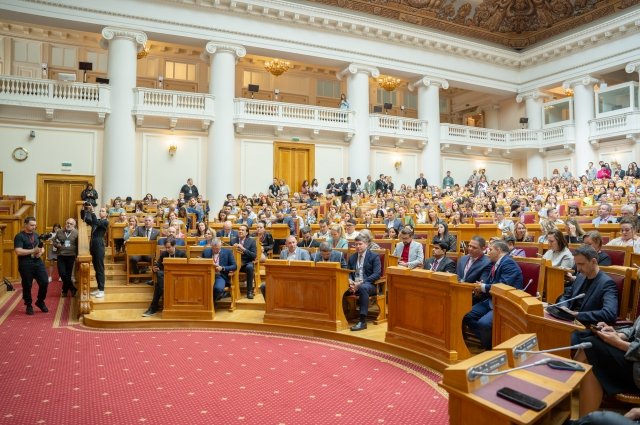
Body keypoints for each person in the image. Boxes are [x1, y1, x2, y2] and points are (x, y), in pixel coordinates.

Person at [463, 240, 523, 349]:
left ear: (499, 250)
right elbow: (493, 283)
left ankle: (491, 348)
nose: (487, 252)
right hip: (492, 300)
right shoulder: (496, 263)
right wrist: (482, 286)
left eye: (490, 250)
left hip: (505, 303)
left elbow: (503, 286)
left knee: (484, 324)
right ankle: (491, 342)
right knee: (466, 316)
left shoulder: (508, 263)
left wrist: (483, 287)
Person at [556, 245, 618, 326]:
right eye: (577, 264)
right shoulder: (580, 277)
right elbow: (566, 296)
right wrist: (564, 308)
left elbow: (609, 314)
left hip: (587, 327)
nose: (578, 269)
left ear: (593, 262)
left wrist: (577, 315)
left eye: (581, 264)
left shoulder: (607, 283)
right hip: (569, 322)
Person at [344, 234, 381, 331]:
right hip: (353, 284)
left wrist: (360, 283)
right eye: (356, 244)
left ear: (367, 244)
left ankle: (362, 321)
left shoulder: (374, 256)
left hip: (369, 285)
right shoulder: (352, 257)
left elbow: (377, 274)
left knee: (363, 288)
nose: (357, 246)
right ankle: (341, 315)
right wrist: (350, 281)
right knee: (339, 287)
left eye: (360, 244)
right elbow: (348, 272)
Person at [142, 237, 187, 317]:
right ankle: (162, 292)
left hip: (178, 278)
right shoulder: (164, 254)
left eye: (169, 247)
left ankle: (153, 308)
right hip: (165, 278)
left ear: (174, 246)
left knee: (159, 283)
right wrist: (154, 268)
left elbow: (185, 269)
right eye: (166, 247)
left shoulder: (182, 254)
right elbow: (158, 264)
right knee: (159, 274)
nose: (167, 249)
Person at [14, 216, 50, 315]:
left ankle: (40, 301)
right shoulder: (19, 236)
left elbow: (41, 247)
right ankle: (28, 305)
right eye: (31, 225)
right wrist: (32, 251)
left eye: (35, 225)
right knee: (27, 285)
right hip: (25, 263)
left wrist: (41, 252)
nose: (34, 227)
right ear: (25, 224)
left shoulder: (36, 234)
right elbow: (18, 251)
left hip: (37, 262)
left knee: (44, 281)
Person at [84, 204, 109, 298]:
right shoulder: (97, 220)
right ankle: (99, 288)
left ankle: (102, 290)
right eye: (100, 211)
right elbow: (87, 220)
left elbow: (95, 222)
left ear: (106, 214)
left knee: (100, 268)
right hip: (93, 246)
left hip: (99, 245)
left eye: (103, 211)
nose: (101, 212)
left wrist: (93, 212)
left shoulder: (105, 222)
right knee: (96, 267)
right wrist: (86, 210)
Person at [129, 216, 160, 282]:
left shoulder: (157, 232)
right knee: (133, 259)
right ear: (144, 222)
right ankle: (136, 275)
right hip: (138, 252)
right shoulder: (139, 228)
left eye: (149, 220)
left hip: (149, 253)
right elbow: (133, 237)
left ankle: (153, 277)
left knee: (155, 259)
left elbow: (158, 244)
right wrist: (135, 237)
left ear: (153, 222)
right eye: (146, 220)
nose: (147, 222)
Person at [54, 218, 78, 297]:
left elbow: (78, 246)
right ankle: (72, 288)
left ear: (74, 225)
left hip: (71, 256)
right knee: (62, 274)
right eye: (68, 223)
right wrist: (57, 245)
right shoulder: (59, 232)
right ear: (65, 223)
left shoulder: (77, 233)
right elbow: (54, 241)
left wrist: (77, 256)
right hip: (61, 256)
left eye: (71, 224)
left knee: (67, 275)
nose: (69, 225)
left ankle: (64, 291)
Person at [233, 225, 257, 299]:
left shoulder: (251, 241)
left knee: (250, 267)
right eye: (239, 230)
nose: (240, 231)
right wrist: (233, 248)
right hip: (235, 263)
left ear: (246, 233)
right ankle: (228, 291)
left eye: (242, 230)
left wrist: (243, 249)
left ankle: (249, 291)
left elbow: (253, 255)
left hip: (246, 263)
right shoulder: (233, 240)